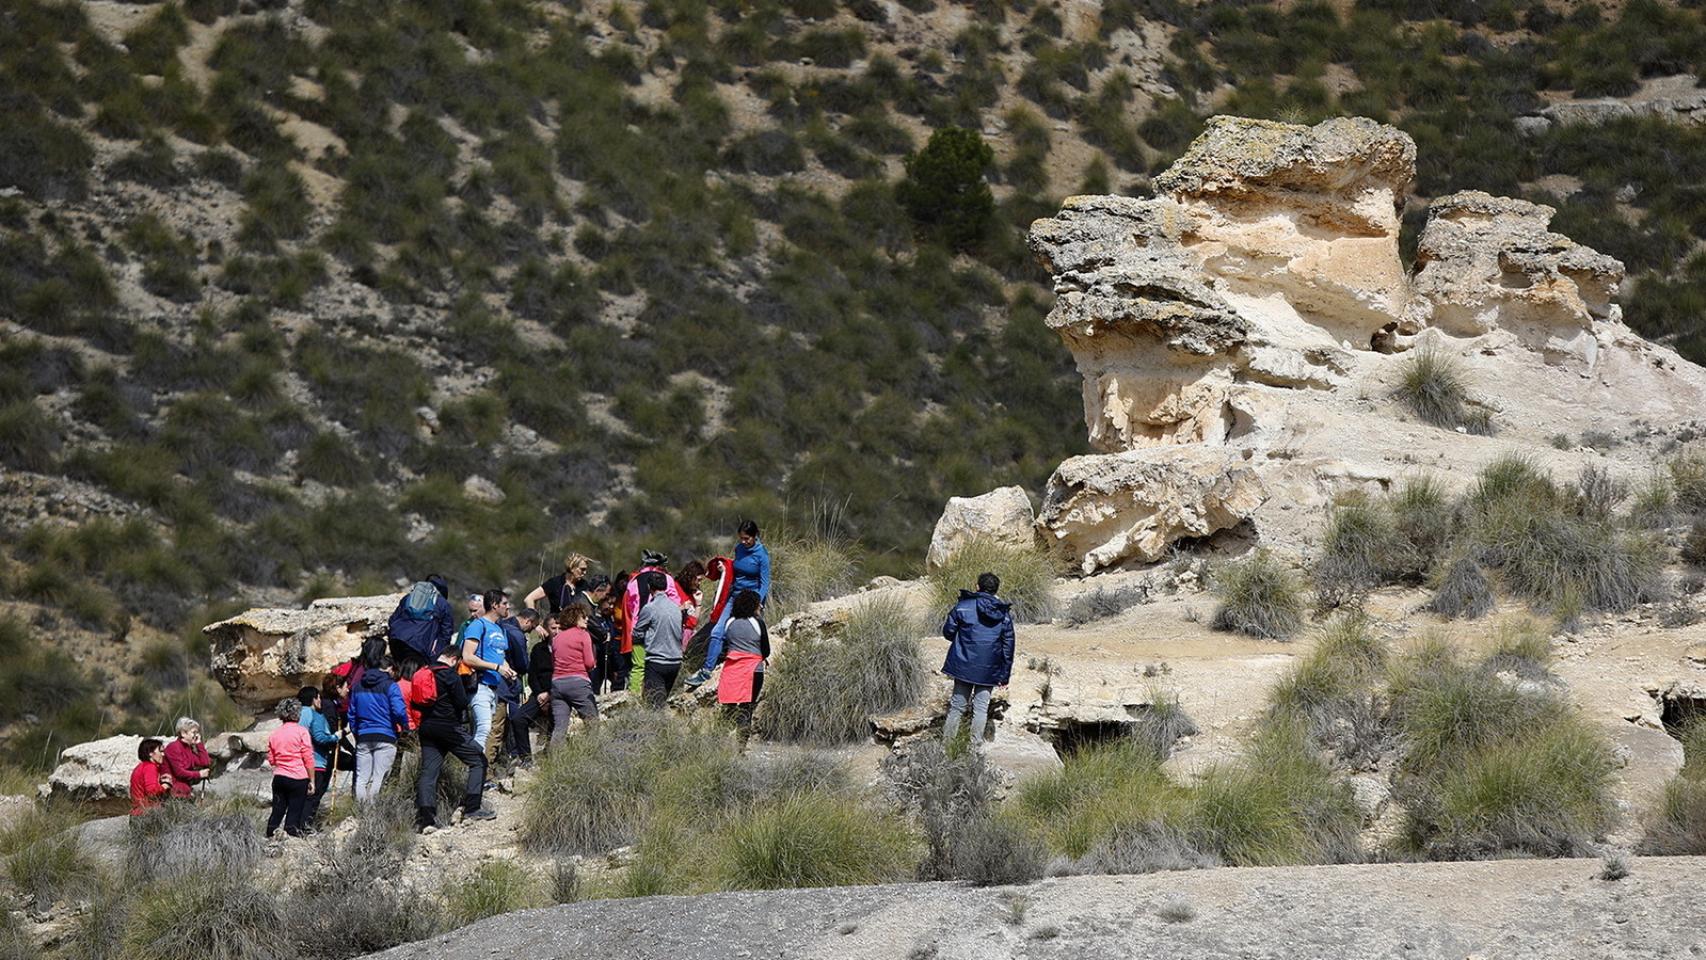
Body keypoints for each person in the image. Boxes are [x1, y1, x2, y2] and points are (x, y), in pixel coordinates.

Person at [412, 645, 495, 832]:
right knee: (478, 761)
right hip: (449, 728)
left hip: (427, 728)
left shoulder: (423, 672)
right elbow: (461, 703)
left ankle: (426, 820)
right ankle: (473, 808)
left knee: (428, 773)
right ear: (454, 659)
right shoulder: (450, 675)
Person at [686, 521, 770, 688]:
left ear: (755, 536)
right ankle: (707, 670)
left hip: (750, 600)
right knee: (717, 631)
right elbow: (736, 568)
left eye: (747, 539)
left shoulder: (762, 556)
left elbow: (764, 583)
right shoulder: (739, 549)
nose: (744, 542)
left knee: (745, 633)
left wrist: (758, 603)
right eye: (741, 538)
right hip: (734, 597)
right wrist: (724, 568)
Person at [940, 572, 1015, 746]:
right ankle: (975, 749)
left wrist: (964, 640)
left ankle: (946, 748)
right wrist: (1005, 675)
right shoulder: (1003, 613)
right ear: (996, 590)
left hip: (963, 665)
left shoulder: (963, 606)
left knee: (957, 707)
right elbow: (1008, 647)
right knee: (981, 709)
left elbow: (948, 632)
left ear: (977, 586)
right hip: (989, 668)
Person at [460, 590, 518, 758]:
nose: (508, 607)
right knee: (484, 728)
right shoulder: (478, 625)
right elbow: (468, 656)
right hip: (480, 685)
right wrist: (496, 667)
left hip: (495, 689)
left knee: (488, 731)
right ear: (494, 605)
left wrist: (507, 668)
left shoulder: (500, 628)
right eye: (505, 604)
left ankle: (480, 772)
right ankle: (475, 768)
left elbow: (500, 655)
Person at [349, 656, 409, 803]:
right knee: (379, 778)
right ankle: (373, 812)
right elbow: (399, 711)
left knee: (362, 778)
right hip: (385, 735)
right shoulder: (390, 685)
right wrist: (405, 727)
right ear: (389, 668)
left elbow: (352, 714)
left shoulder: (357, 686)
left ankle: (361, 812)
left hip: (363, 736)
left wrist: (357, 732)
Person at [620, 553, 686, 687]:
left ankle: (635, 699)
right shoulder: (666, 579)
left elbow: (630, 605)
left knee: (638, 666)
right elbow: (675, 603)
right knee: (658, 662)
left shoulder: (633, 581)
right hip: (660, 629)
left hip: (638, 628)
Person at [717, 590, 770, 751]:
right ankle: (740, 748)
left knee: (729, 707)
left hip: (732, 669)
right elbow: (766, 650)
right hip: (754, 670)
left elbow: (724, 648)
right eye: (758, 603)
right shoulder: (757, 623)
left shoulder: (729, 622)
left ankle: (721, 744)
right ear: (752, 605)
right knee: (747, 708)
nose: (760, 606)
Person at [488, 598, 533, 766]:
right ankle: (512, 756)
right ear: (528, 621)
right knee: (508, 721)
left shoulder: (502, 626)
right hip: (508, 683)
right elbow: (522, 664)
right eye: (532, 627)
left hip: (496, 680)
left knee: (498, 724)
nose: (508, 607)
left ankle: (500, 758)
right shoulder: (516, 634)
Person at [549, 601, 600, 743]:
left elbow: (554, 662)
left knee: (559, 728)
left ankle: (554, 762)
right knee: (592, 722)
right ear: (575, 618)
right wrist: (591, 667)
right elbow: (589, 662)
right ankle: (593, 755)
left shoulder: (557, 638)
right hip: (578, 683)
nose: (587, 619)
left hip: (557, 683)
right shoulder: (583, 635)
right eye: (584, 617)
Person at [265, 698, 316, 839]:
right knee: (294, 813)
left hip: (280, 777)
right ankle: (290, 842)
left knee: (277, 810)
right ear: (297, 714)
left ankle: (270, 836)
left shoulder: (274, 734)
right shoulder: (302, 732)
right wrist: (312, 780)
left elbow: (272, 760)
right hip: (298, 778)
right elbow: (308, 758)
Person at [635, 571, 685, 708]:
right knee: (663, 701)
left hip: (657, 662)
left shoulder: (650, 608)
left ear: (649, 587)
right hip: (675, 661)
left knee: (653, 706)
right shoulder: (676, 608)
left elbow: (637, 633)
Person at [388, 574, 455, 663]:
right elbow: (446, 633)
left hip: (397, 640)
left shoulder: (408, 598)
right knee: (415, 674)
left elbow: (392, 620)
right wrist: (436, 654)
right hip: (420, 647)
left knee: (400, 669)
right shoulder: (442, 603)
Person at [298, 686, 339, 827]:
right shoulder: (314, 715)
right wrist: (335, 737)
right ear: (314, 699)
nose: (320, 700)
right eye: (318, 697)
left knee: (300, 797)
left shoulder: (296, 715)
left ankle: (295, 826)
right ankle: (305, 826)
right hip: (316, 761)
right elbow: (320, 737)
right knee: (312, 797)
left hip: (298, 762)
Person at [163, 717, 212, 799]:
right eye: (194, 732)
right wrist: (199, 774)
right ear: (183, 733)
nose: (196, 735)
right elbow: (179, 772)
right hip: (173, 794)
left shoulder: (188, 748)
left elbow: (205, 762)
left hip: (184, 792)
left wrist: (199, 744)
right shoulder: (173, 747)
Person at [129, 738, 171, 816]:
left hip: (139, 812)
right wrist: (165, 785)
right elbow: (151, 792)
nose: (163, 754)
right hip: (147, 813)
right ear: (150, 753)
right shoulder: (150, 767)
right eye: (160, 751)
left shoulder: (142, 766)